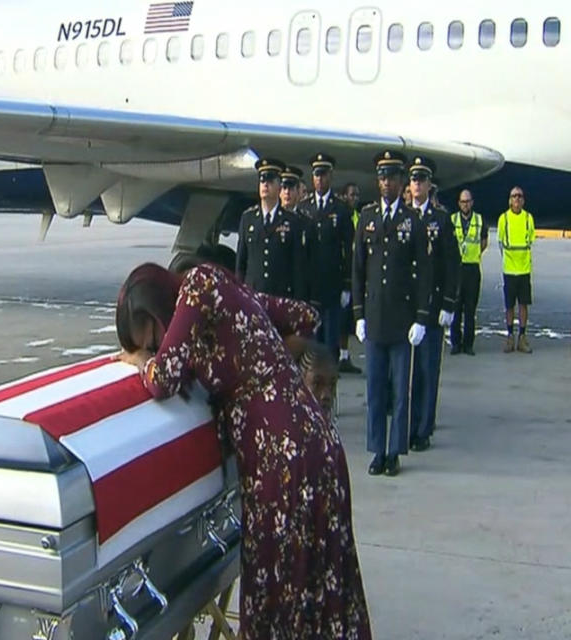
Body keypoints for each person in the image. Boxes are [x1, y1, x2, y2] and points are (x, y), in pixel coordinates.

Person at [116, 262, 371, 639]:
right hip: (316, 441)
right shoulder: (224, 294)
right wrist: (269, 365)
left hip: (281, 457)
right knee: (320, 579)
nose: (158, 347)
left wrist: (141, 362)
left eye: (152, 338)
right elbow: (304, 317)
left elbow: (164, 378)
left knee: (279, 580)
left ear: (157, 307)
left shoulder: (197, 287)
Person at [353, 151, 432, 477]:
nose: (387, 183)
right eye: (382, 177)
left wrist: (421, 318)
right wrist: (358, 314)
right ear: (378, 181)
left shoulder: (412, 222)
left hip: (401, 320)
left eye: (393, 177)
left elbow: (424, 273)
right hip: (374, 317)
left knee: (401, 392)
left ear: (402, 183)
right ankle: (377, 450)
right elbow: (358, 269)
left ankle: (395, 452)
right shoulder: (368, 218)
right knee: (375, 391)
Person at [406, 156, 458, 452]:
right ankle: (406, 425)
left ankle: (423, 429)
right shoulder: (402, 217)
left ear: (429, 185)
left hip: (433, 306)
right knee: (404, 373)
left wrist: (448, 304)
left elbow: (451, 265)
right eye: (413, 180)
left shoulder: (440, 220)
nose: (417, 185)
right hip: (406, 307)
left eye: (422, 180)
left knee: (427, 370)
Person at [300, 153, 354, 365]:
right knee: (311, 344)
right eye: (316, 175)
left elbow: (349, 250)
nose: (320, 180)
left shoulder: (340, 209)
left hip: (332, 287)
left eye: (323, 175)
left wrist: (347, 285)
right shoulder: (305, 207)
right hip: (310, 287)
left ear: (331, 176)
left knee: (329, 344)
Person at [235, 158, 308, 300]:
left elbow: (298, 268)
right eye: (262, 181)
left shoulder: (292, 222)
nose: (265, 185)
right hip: (253, 297)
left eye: (270, 181)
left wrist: (298, 302)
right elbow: (241, 264)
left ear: (279, 187)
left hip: (280, 297)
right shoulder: (248, 218)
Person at [450, 189, 488, 355]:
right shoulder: (452, 219)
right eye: (462, 202)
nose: (465, 204)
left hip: (472, 268)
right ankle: (456, 344)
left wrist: (475, 253)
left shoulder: (479, 220)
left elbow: (484, 241)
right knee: (455, 309)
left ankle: (468, 345)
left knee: (470, 309)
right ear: (459, 203)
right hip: (457, 269)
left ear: (472, 202)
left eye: (468, 201)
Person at [497, 187, 535, 353]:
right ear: (509, 200)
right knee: (509, 305)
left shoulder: (528, 218)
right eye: (514, 196)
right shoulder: (503, 218)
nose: (517, 199)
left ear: (523, 200)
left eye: (520, 196)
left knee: (524, 304)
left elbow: (531, 239)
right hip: (510, 270)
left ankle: (522, 337)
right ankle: (510, 336)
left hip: (524, 269)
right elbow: (500, 242)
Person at [338, 182, 363, 374]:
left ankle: (345, 356)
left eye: (356, 195)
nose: (354, 199)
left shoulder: (359, 217)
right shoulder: (341, 215)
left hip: (355, 272)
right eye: (351, 195)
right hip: (341, 271)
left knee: (347, 320)